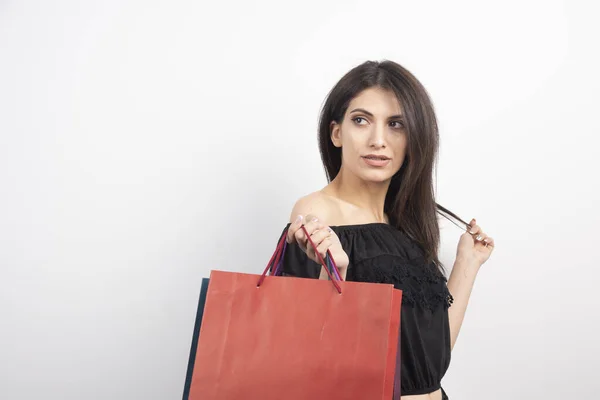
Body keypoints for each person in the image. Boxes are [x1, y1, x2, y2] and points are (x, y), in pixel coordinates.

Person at [275, 60, 495, 400]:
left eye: (396, 125)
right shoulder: (317, 213)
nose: (378, 140)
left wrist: (468, 264)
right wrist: (335, 272)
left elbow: (429, 361)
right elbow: (306, 353)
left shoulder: (403, 224)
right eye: (361, 120)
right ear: (336, 133)